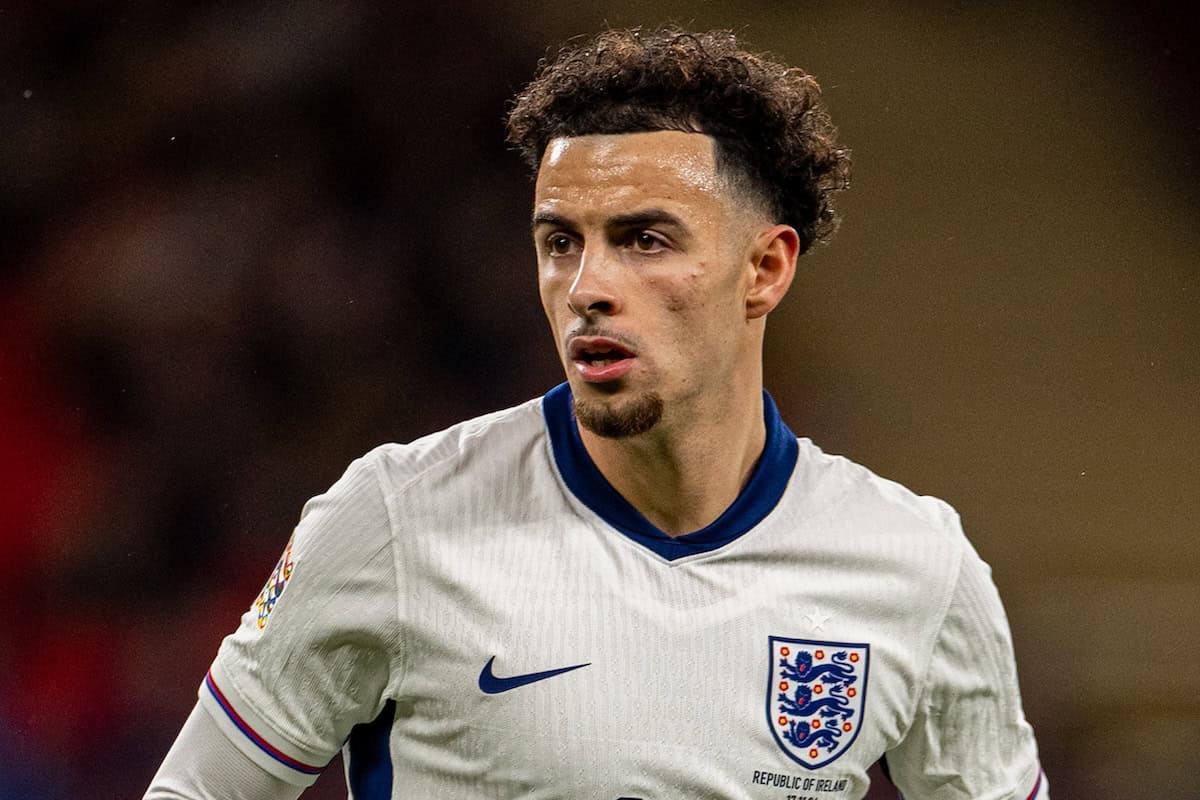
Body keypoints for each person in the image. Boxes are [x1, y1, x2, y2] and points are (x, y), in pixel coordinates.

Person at [145, 27, 1047, 800]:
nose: (586, 290)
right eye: (560, 243)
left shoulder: (915, 566)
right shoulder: (395, 517)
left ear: (765, 270)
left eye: (644, 240)